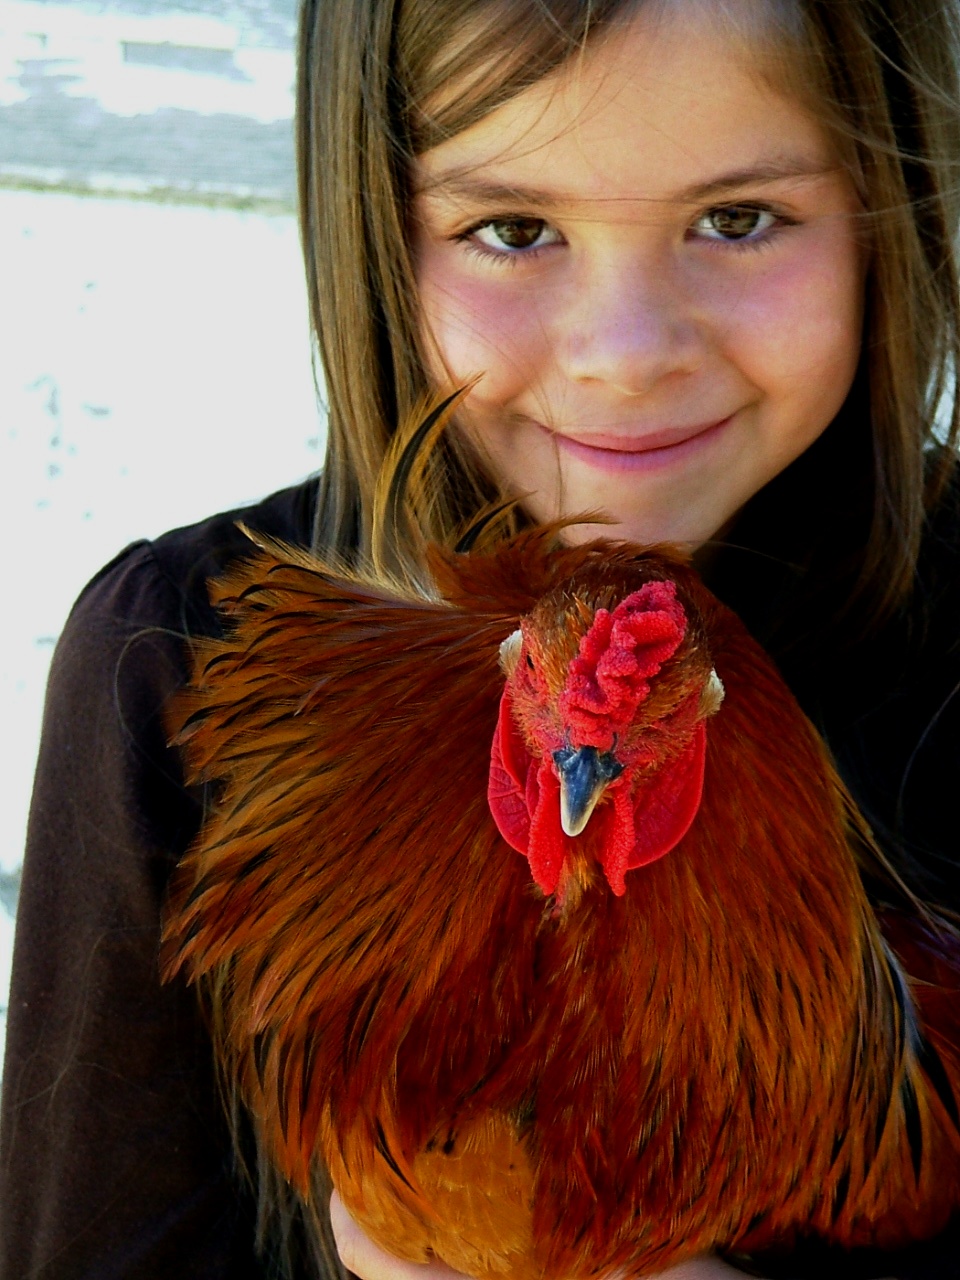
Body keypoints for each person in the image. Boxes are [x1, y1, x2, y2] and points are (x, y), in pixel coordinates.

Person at [2, 0, 959, 1277]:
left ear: (890, 209)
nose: (623, 356)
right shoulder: (177, 654)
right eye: (512, 229)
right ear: (377, 224)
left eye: (738, 218)